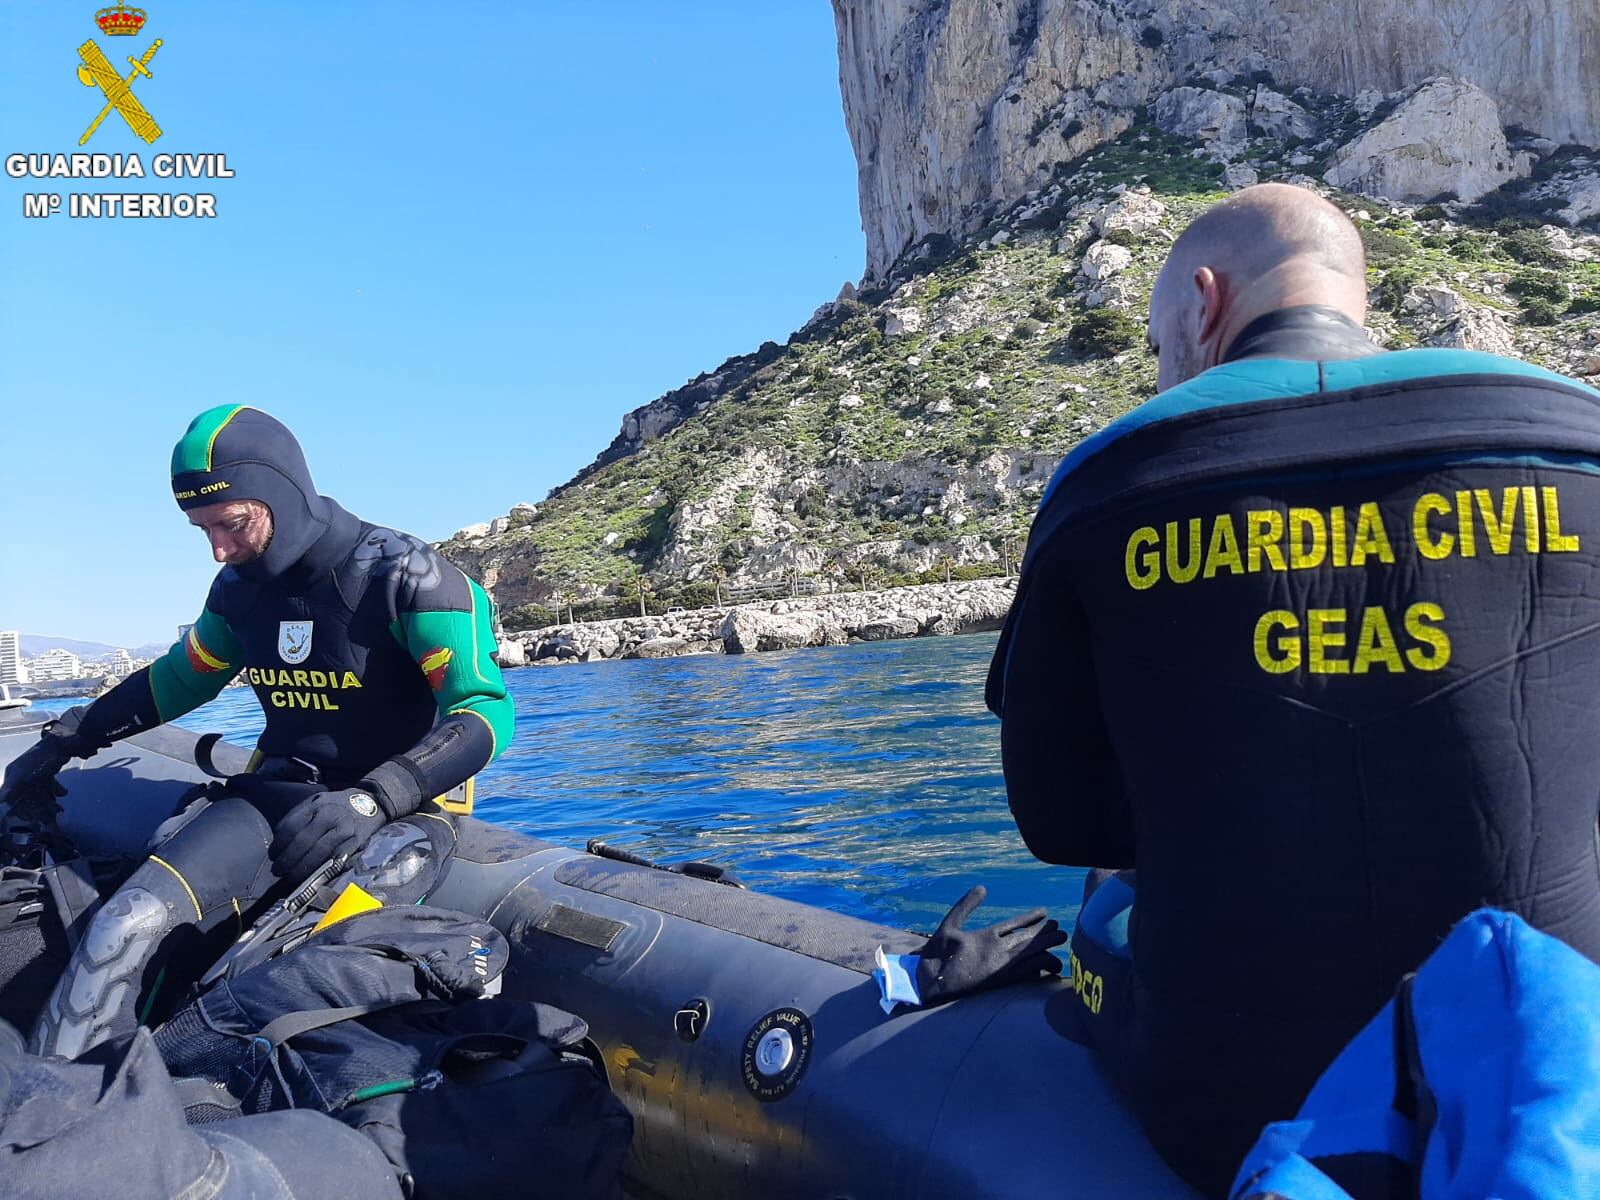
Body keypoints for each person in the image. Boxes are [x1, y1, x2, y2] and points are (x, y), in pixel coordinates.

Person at [986, 183, 1600, 1196]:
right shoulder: (1570, 429)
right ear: (1358, 291)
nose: (1163, 366)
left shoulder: (1106, 480)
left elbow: (1061, 822)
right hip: (1544, 1091)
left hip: (1225, 1101)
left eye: (1155, 342)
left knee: (1104, 903)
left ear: (1200, 302)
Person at [0, 405, 514, 1059]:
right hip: (276, 797)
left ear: (281, 494)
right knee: (124, 925)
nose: (218, 547)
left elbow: (484, 710)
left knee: (256, 978)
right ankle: (50, 1123)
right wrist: (67, 739)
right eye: (203, 530)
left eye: (231, 524)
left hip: (399, 816)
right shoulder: (238, 592)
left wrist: (377, 795)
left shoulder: (409, 577)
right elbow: (182, 679)